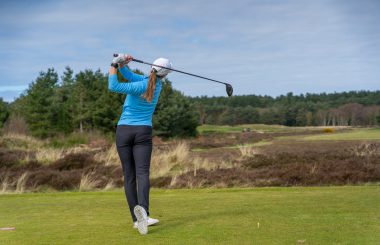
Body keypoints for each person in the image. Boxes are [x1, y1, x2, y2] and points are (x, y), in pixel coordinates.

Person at [108, 54, 172, 235]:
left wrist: (114, 63)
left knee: (129, 176)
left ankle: (137, 220)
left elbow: (113, 85)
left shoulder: (143, 83)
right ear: (165, 75)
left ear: (151, 67)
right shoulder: (155, 84)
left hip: (124, 131)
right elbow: (129, 75)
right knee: (142, 173)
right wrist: (123, 64)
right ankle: (143, 212)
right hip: (143, 132)